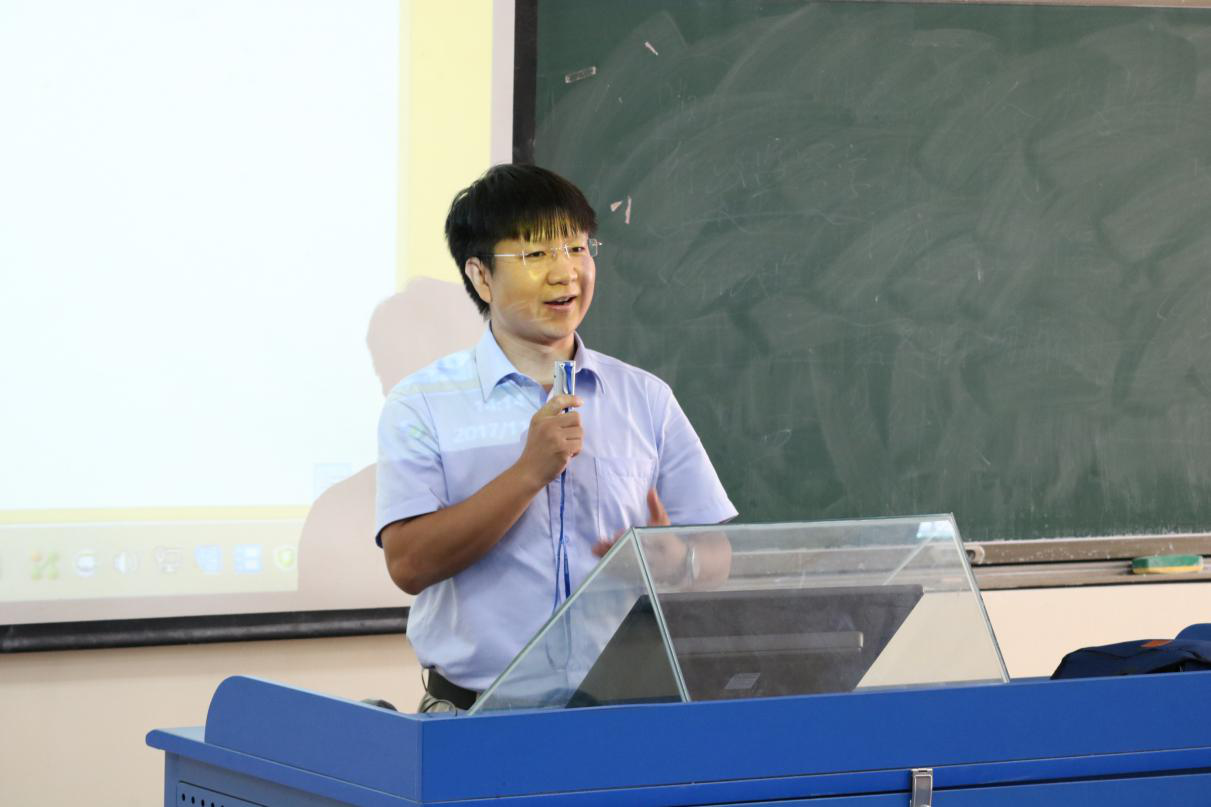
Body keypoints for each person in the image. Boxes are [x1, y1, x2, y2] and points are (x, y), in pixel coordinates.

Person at [375, 164, 736, 712]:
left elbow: (718, 556)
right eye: (537, 254)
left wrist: (678, 564)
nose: (566, 272)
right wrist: (527, 473)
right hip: (476, 718)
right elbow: (409, 565)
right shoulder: (422, 403)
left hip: (626, 714)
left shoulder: (645, 398)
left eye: (577, 248)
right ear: (481, 276)